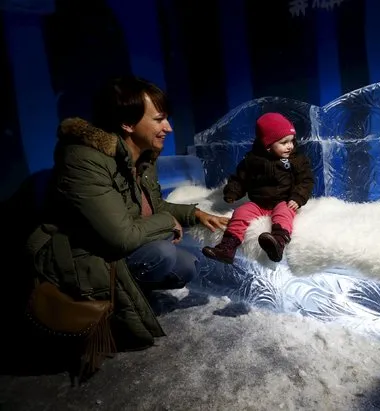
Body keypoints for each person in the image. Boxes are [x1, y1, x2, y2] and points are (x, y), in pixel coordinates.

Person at [25, 75, 228, 351]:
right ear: (127, 123)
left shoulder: (143, 157)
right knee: (163, 254)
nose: (168, 127)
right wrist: (168, 223)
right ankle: (109, 308)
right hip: (78, 255)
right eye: (159, 119)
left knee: (186, 266)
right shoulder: (84, 160)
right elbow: (120, 237)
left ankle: (132, 294)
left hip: (114, 243)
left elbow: (153, 207)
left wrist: (196, 214)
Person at [202, 112, 314, 264]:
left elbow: (306, 181)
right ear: (267, 145)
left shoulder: (297, 160)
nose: (290, 146)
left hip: (284, 200)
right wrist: (233, 192)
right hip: (259, 203)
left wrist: (297, 197)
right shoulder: (252, 161)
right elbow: (240, 179)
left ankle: (277, 243)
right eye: (284, 142)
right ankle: (227, 248)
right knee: (240, 212)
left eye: (292, 141)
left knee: (284, 213)